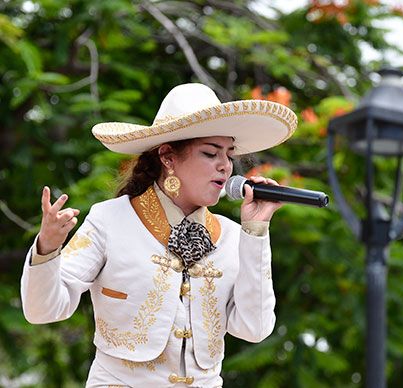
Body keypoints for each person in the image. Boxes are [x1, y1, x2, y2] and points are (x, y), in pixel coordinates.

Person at [20, 83, 297, 387]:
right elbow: (42, 311)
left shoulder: (232, 235)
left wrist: (256, 231)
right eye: (210, 153)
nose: (225, 166)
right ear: (167, 157)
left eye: (228, 155)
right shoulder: (109, 220)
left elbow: (254, 329)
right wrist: (47, 248)